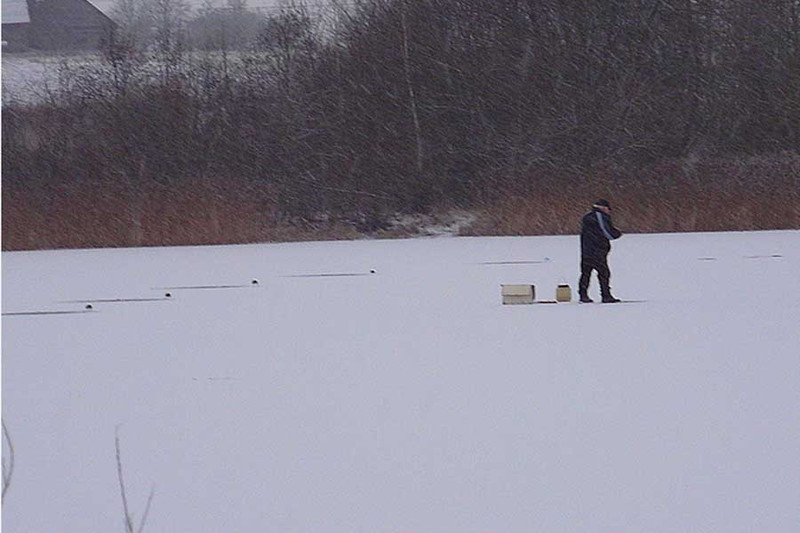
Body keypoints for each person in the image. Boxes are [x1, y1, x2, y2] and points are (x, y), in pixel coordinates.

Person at [579, 199, 622, 303]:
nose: (609, 211)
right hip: (597, 250)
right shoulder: (600, 217)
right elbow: (607, 232)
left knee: (586, 273)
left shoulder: (588, 216)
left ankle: (583, 295)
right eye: (608, 209)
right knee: (604, 273)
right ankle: (606, 295)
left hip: (586, 250)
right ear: (603, 207)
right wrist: (617, 233)